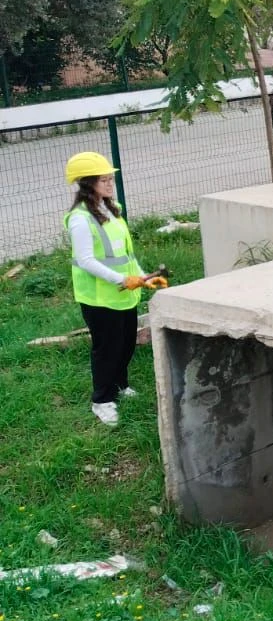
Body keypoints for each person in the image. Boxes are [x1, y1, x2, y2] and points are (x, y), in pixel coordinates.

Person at [64, 152, 151, 427]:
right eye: (104, 179)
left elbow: (125, 252)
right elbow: (87, 260)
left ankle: (120, 384)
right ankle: (102, 400)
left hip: (124, 293)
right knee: (107, 348)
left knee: (126, 343)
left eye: (110, 178)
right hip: (100, 298)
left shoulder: (112, 210)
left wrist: (138, 274)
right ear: (88, 183)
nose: (110, 183)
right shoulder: (80, 219)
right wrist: (120, 280)